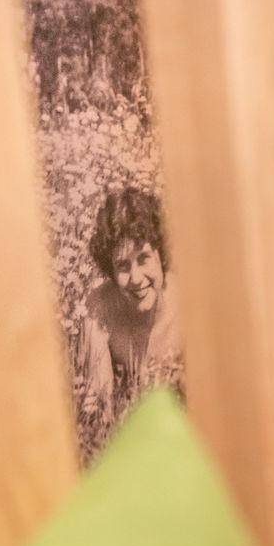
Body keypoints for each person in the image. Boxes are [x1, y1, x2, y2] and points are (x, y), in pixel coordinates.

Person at [78, 188, 183, 456]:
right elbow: (101, 412)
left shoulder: (189, 304)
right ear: (111, 272)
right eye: (123, 266)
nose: (136, 278)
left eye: (143, 258)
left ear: (160, 254)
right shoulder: (99, 311)